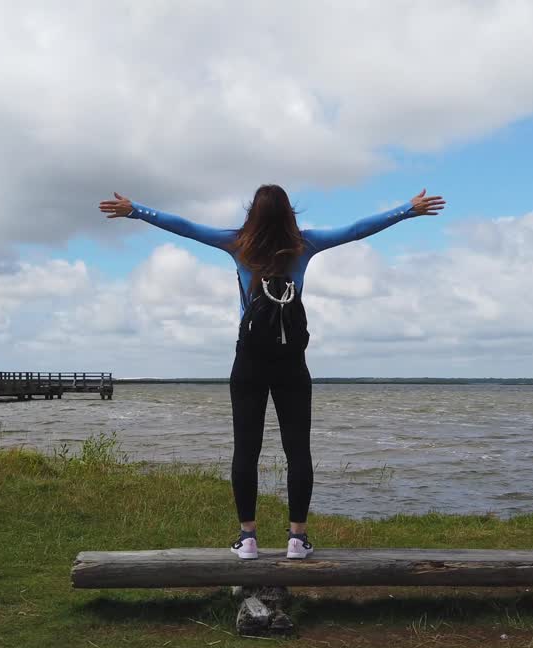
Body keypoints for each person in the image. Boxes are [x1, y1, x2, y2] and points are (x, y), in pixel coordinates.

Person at [98, 185, 445, 559]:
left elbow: (184, 227)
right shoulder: (305, 244)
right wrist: (406, 210)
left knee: (246, 449)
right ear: (289, 213)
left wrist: (136, 211)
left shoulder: (237, 243)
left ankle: (247, 538)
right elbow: (358, 228)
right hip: (291, 361)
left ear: (253, 214)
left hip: (248, 360)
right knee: (298, 450)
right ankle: (297, 539)